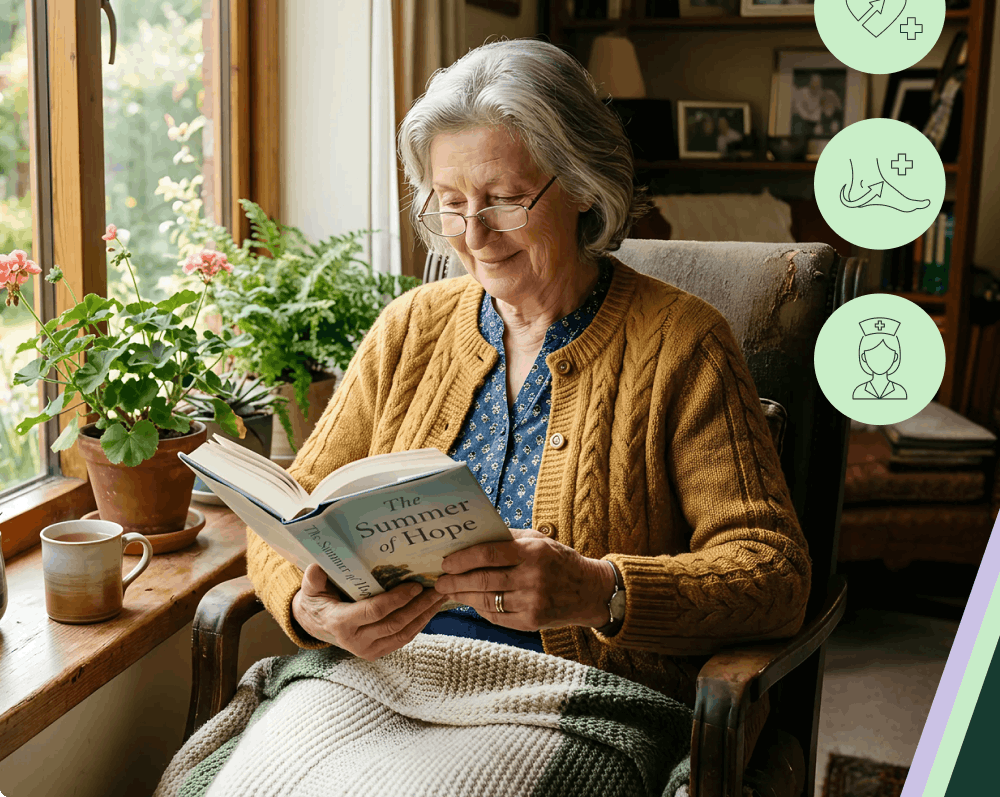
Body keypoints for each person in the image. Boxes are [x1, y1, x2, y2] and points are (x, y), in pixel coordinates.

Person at [246, 38, 810, 715]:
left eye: (504, 199)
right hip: (380, 682)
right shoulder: (407, 330)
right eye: (450, 203)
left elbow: (774, 574)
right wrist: (311, 612)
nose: (474, 235)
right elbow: (289, 510)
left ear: (578, 184)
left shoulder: (683, 345)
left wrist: (601, 589)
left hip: (573, 699)